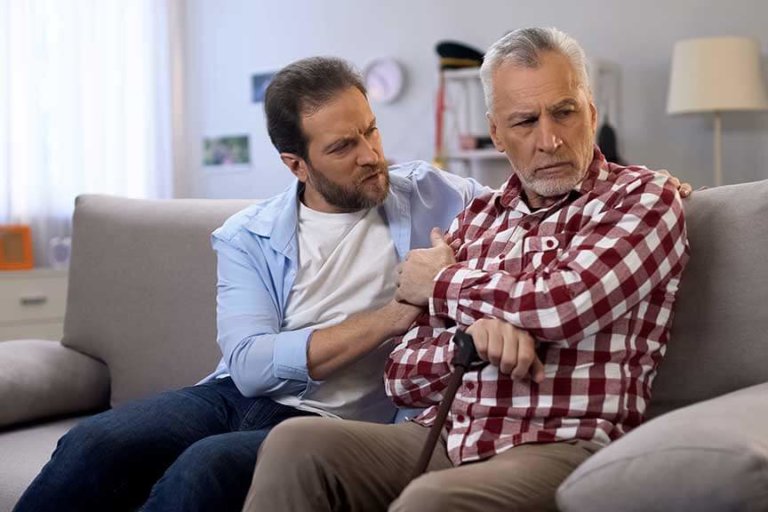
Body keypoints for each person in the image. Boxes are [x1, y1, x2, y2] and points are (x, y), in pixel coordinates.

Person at [243, 27, 690, 512]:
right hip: (446, 436)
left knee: (433, 500)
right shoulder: (477, 217)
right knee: (296, 445)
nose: (549, 139)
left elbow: (563, 305)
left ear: (592, 113)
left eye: (565, 111)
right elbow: (400, 373)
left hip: (560, 442)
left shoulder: (643, 198)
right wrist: (473, 340)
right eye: (524, 121)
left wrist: (442, 284)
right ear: (496, 134)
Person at [14, 57, 490, 512]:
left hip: (336, 423)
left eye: (370, 131)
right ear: (296, 165)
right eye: (343, 147)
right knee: (92, 441)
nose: (370, 156)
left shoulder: (437, 194)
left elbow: (530, 207)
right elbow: (249, 365)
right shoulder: (248, 234)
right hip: (232, 398)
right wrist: (395, 315)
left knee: (207, 468)